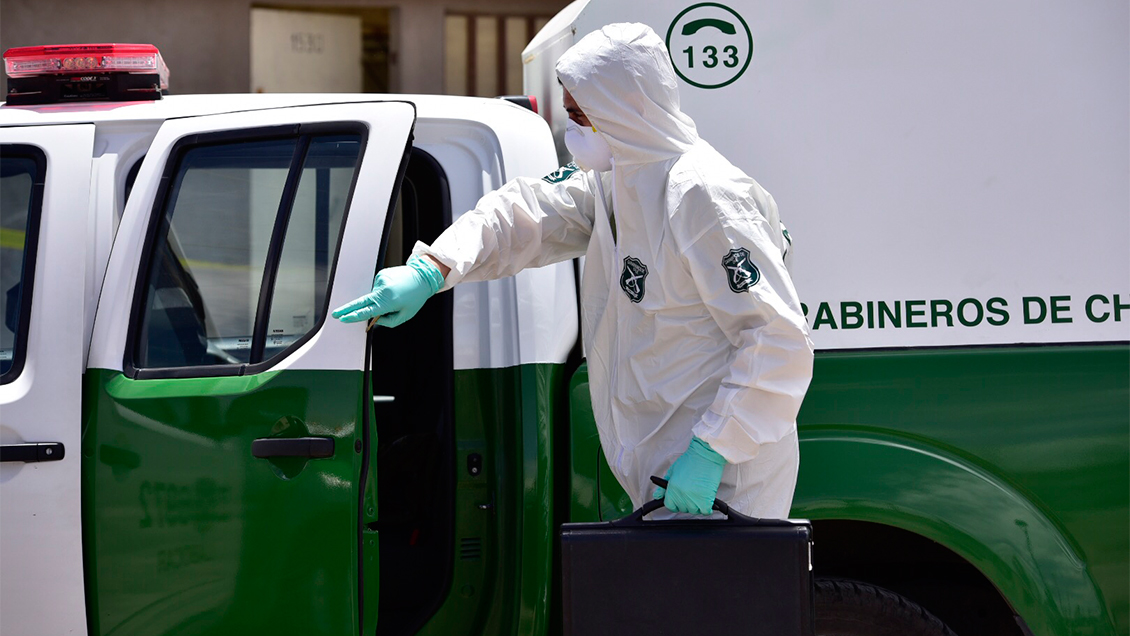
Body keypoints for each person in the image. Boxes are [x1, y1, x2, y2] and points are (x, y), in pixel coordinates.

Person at [333, 23, 814, 519]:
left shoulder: (703, 196)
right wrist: (433, 268)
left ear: (627, 108)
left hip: (724, 478)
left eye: (582, 116)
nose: (574, 131)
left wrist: (714, 449)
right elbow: (525, 213)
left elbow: (777, 340)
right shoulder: (617, 181)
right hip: (669, 468)